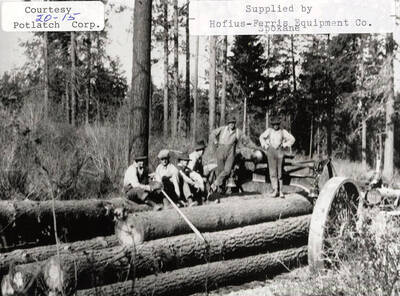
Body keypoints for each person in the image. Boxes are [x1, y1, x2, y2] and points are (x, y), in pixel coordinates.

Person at [209, 115, 260, 193]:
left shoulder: (237, 132)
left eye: (233, 123)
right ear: (228, 123)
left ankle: (215, 184)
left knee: (227, 171)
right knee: (220, 171)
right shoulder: (222, 129)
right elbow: (212, 133)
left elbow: (246, 141)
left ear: (234, 124)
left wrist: (255, 147)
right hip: (220, 150)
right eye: (230, 123)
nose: (231, 124)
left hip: (231, 152)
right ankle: (221, 190)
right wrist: (215, 141)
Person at [259, 116, 295, 198]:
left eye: (277, 124)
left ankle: (281, 191)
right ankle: (275, 190)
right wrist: (265, 145)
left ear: (279, 124)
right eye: (274, 124)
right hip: (271, 151)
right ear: (272, 125)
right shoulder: (269, 131)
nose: (275, 126)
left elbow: (292, 139)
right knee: (272, 172)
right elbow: (261, 137)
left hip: (280, 151)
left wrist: (285, 145)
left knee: (280, 172)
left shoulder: (283, 132)